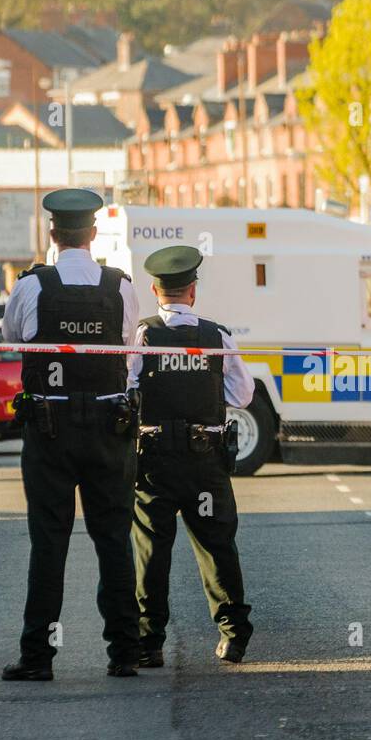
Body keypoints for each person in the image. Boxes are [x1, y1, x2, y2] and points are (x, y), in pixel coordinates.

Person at [0, 188, 143, 681]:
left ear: (54, 234)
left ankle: (38, 657)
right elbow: (126, 346)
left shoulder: (32, 286)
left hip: (50, 432)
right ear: (94, 232)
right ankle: (125, 651)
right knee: (114, 540)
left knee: (49, 543)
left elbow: (12, 337)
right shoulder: (120, 286)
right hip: (108, 430)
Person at [128, 245, 256, 665]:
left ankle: (150, 644)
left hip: (156, 462)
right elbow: (242, 393)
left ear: (154, 290)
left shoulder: (144, 335)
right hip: (205, 460)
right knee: (217, 545)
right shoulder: (217, 336)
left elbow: (129, 389)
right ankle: (233, 635)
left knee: (151, 550)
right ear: (193, 292)